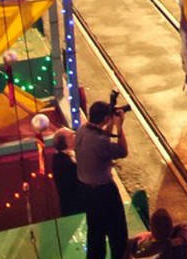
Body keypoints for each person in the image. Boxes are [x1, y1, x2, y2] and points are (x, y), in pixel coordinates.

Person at [76, 101, 129, 259]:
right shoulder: (99, 141)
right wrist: (119, 127)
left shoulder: (82, 130)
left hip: (87, 191)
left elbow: (101, 136)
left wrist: (110, 123)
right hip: (105, 192)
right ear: (106, 118)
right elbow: (122, 151)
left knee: (95, 233)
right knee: (118, 233)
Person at [51, 127, 86, 216]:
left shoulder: (67, 155)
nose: (75, 136)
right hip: (76, 208)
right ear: (65, 142)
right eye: (72, 135)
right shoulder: (64, 163)